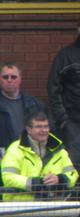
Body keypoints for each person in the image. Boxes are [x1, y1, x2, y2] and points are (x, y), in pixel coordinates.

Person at [0, 62, 45, 187]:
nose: (9, 80)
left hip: (32, 164)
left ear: (20, 79)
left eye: (13, 77)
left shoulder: (35, 106)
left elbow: (47, 132)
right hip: (2, 165)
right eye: (5, 77)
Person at [1, 111, 78, 201]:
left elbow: (73, 174)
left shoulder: (59, 150)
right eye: (39, 127)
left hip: (54, 209)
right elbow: (8, 178)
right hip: (21, 209)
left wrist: (59, 179)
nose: (44, 130)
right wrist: (36, 183)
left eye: (46, 126)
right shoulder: (14, 150)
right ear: (29, 130)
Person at [47, 25, 80, 168]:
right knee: (73, 163)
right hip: (72, 122)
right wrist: (63, 119)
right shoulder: (66, 56)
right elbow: (53, 87)